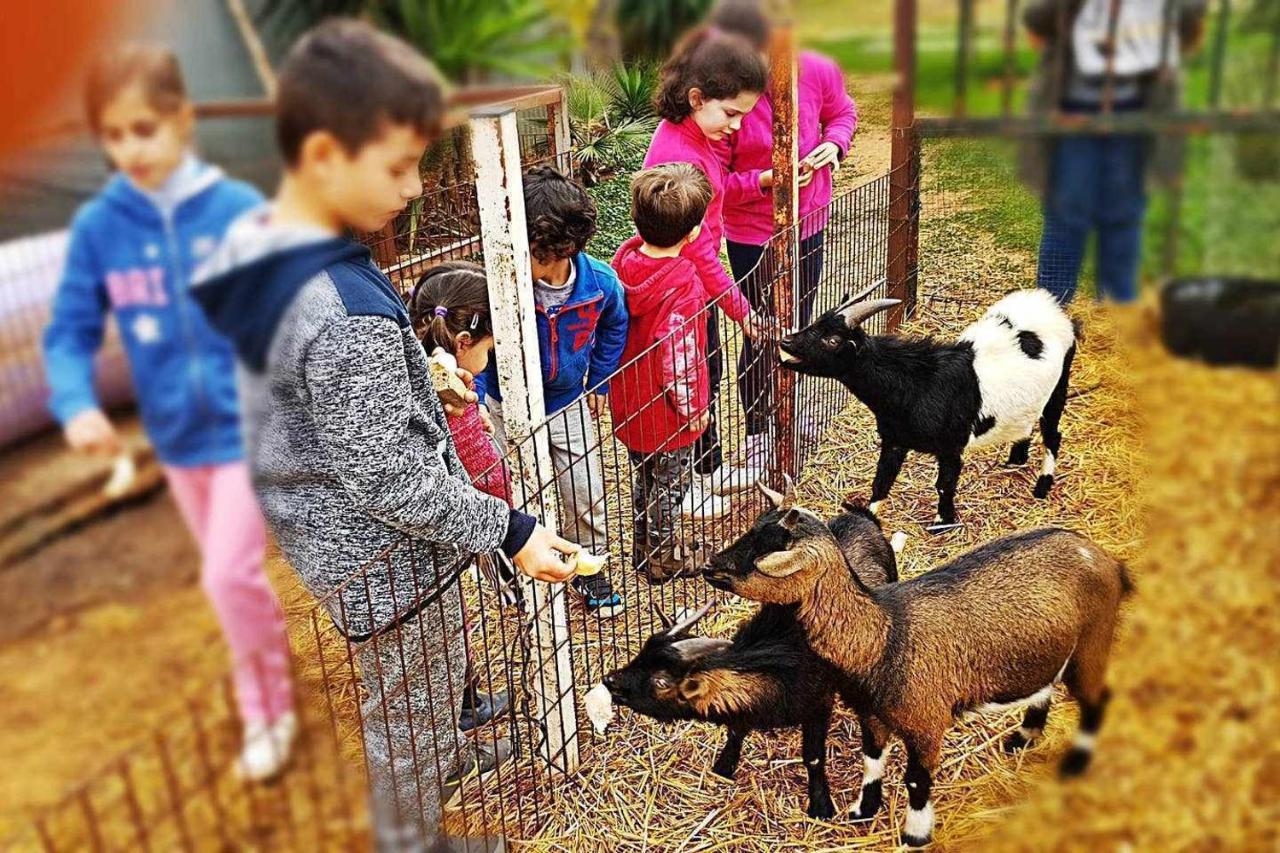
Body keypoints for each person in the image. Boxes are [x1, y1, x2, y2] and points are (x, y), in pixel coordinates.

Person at [190, 20, 577, 849]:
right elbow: (392, 481)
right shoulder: (343, 316)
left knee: (417, 693)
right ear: (327, 154)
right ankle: (413, 837)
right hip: (388, 557)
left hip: (330, 536)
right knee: (409, 712)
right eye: (398, 168)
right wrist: (509, 529)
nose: (411, 189)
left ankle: (436, 767)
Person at [42, 42, 296, 782]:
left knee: (224, 575)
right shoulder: (99, 227)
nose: (130, 149)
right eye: (113, 135)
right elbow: (68, 329)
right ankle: (269, 665)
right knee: (235, 575)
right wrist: (75, 401)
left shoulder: (237, 213)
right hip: (179, 440)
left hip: (248, 432)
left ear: (183, 120)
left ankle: (266, 709)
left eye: (143, 129)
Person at [474, 166, 628, 618]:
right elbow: (477, 345)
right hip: (503, 404)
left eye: (542, 254)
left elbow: (616, 324)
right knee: (500, 491)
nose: (533, 262)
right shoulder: (496, 285)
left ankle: (590, 569)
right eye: (528, 249)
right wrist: (480, 398)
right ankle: (508, 577)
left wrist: (600, 379)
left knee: (586, 491)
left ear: (570, 246)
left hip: (565, 402)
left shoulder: (599, 283)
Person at [710, 0, 858, 462]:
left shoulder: (817, 65)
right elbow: (715, 183)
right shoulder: (726, 90)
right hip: (752, 232)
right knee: (761, 326)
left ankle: (790, 411)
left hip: (809, 218)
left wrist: (833, 146)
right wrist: (766, 180)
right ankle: (758, 428)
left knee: (799, 318)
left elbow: (843, 113)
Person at [643, 25, 772, 517]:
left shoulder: (694, 137)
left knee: (703, 371)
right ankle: (690, 478)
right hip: (683, 286)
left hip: (693, 287)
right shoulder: (681, 153)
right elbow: (700, 252)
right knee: (690, 377)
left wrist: (759, 180)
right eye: (732, 113)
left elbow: (716, 194)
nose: (738, 125)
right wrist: (742, 311)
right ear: (697, 98)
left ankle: (706, 466)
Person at [1022, 0, 1207, 303]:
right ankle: (1052, 306)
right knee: (1067, 214)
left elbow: (1190, 22)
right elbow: (1036, 24)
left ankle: (1115, 308)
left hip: (1131, 122)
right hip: (1074, 121)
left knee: (1122, 216)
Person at [610, 163, 720, 583]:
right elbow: (682, 356)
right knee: (671, 485)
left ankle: (644, 547)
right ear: (692, 233)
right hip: (668, 411)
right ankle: (663, 557)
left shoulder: (622, 266)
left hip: (630, 399)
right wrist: (694, 409)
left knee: (645, 476)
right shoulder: (684, 287)